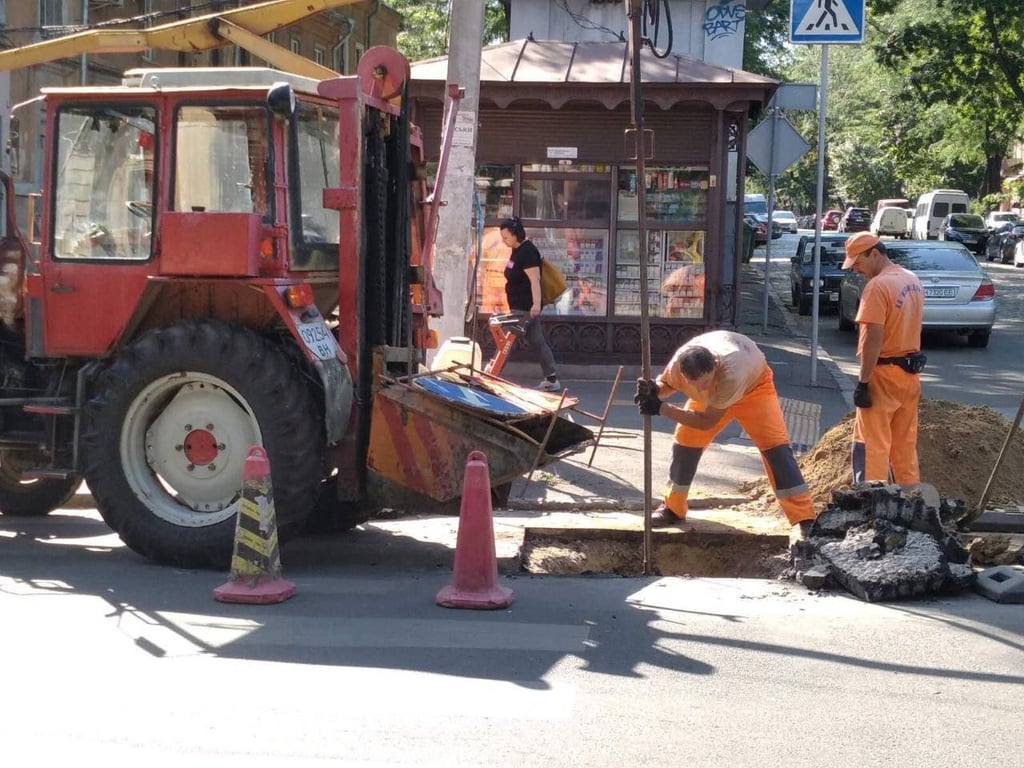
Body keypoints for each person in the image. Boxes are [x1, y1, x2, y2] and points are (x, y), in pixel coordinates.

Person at [634, 330, 815, 536]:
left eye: (706, 383)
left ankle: (804, 517)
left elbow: (706, 422)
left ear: (715, 365)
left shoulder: (732, 372)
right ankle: (673, 508)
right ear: (683, 373)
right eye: (693, 385)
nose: (701, 388)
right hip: (716, 399)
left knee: (776, 448)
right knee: (686, 442)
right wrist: (653, 390)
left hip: (754, 390)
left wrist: (661, 409)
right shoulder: (680, 362)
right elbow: (667, 385)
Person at [840, 231, 925, 484]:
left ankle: (872, 507)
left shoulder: (877, 287)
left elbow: (872, 340)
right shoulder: (911, 280)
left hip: (883, 376)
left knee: (871, 446)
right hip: (909, 375)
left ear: (874, 253)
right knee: (904, 448)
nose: (856, 269)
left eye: (858, 262)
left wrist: (864, 383)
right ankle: (910, 504)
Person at [499, 217, 561, 391]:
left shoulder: (528, 252)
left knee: (506, 340)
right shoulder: (516, 250)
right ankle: (551, 379)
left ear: (516, 234)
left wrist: (536, 304)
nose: (504, 241)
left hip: (525, 307)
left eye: (506, 237)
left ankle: (492, 373)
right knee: (537, 341)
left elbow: (535, 280)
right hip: (519, 306)